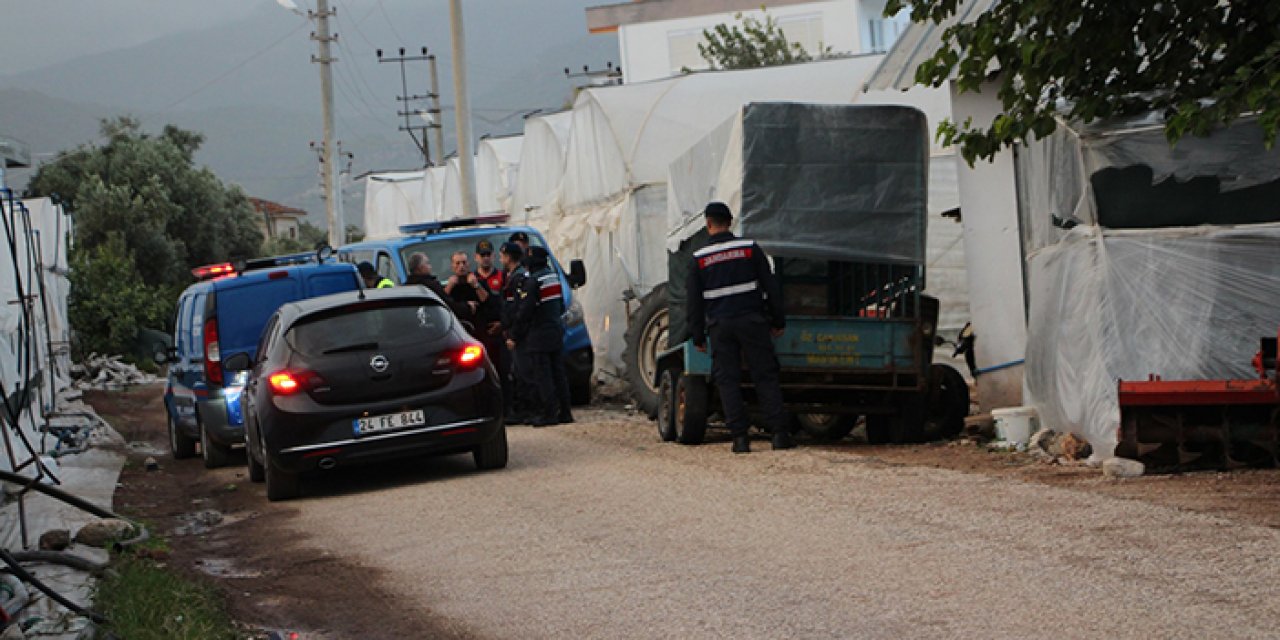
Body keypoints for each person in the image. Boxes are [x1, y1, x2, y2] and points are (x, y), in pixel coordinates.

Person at [686, 201, 791, 454]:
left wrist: (697, 336)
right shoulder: (749, 249)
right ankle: (779, 435)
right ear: (730, 222)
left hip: (720, 326)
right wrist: (778, 321)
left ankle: (740, 439)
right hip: (752, 321)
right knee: (765, 376)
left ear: (708, 224)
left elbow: (694, 303)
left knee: (727, 380)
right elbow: (771, 287)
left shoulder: (698, 259)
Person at [512, 245, 572, 426]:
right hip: (555, 329)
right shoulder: (553, 277)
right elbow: (561, 305)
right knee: (558, 372)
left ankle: (549, 413)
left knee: (543, 374)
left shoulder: (534, 281)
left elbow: (526, 310)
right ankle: (565, 412)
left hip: (539, 333)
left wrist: (515, 333)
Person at [499, 242, 535, 423]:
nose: (500, 259)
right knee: (518, 372)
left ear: (508, 257)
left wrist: (513, 334)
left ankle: (529, 410)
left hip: (519, 333)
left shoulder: (518, 278)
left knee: (524, 372)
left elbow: (518, 309)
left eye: (502, 255)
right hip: (515, 331)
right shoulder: (512, 276)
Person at [403, 252, 469, 318]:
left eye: (464, 262)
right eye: (427, 263)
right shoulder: (430, 285)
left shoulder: (405, 288)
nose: (430, 266)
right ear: (420, 268)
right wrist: (467, 307)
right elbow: (447, 304)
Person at [442, 250, 490, 325]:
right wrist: (449, 286)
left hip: (478, 324)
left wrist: (476, 285)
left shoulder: (479, 280)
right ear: (452, 266)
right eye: (457, 263)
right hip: (457, 325)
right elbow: (442, 303)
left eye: (464, 262)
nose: (461, 266)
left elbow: (487, 301)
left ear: (468, 264)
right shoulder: (448, 285)